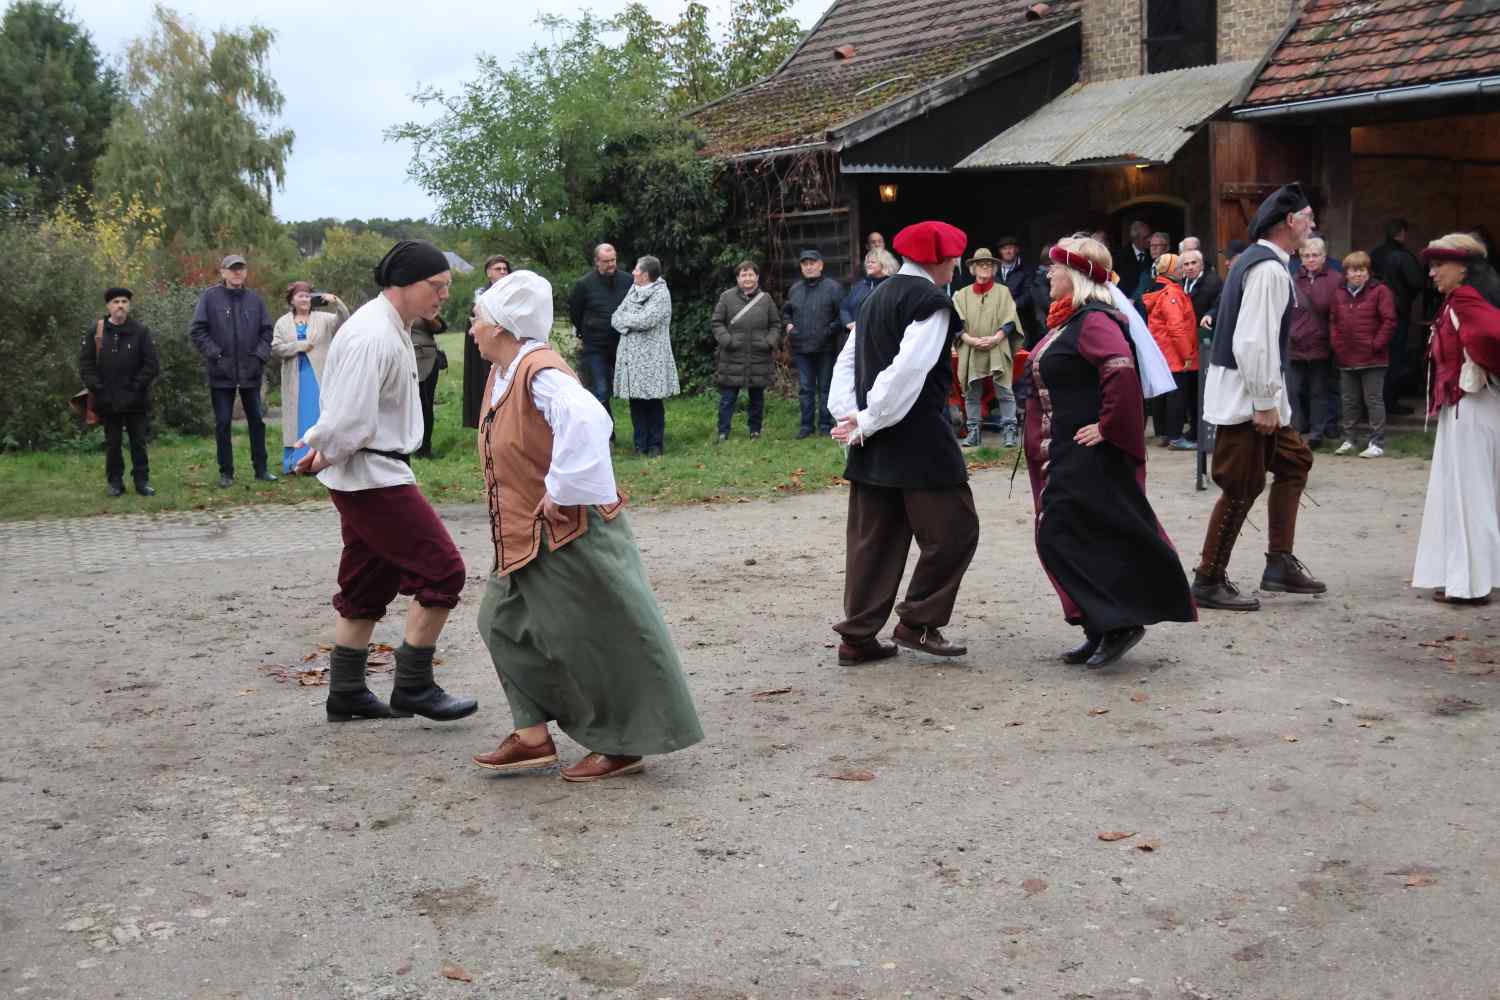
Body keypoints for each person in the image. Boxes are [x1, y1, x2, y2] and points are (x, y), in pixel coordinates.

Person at [467, 272, 704, 780]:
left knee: (598, 636)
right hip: (523, 536)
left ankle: (623, 744)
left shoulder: (540, 372)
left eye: (479, 318)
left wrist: (561, 488)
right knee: (499, 623)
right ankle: (531, 735)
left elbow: (590, 421)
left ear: (504, 327)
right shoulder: (506, 370)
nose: (472, 327)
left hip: (569, 532)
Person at [293, 239, 478, 724]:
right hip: (371, 473)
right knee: (443, 571)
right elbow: (348, 416)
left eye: (446, 287)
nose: (443, 296)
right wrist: (322, 450)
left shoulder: (393, 326)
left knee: (368, 580)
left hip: (370, 467)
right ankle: (413, 684)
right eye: (436, 286)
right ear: (405, 284)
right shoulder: (374, 334)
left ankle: (347, 693)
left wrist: (326, 451)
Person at [1024, 237, 1195, 667]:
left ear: (1077, 275)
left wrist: (1107, 426)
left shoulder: (1095, 320)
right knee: (1075, 536)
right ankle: (1099, 625)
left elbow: (1120, 373)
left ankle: (1118, 624)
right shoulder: (1070, 320)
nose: (1048, 274)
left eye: (1055, 268)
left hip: (1088, 454)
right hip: (1064, 449)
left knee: (1063, 535)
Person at [828, 220, 980, 664]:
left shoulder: (875, 296)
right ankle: (918, 622)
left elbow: (847, 362)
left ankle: (857, 638)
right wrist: (868, 418)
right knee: (956, 530)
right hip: (917, 442)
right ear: (937, 260)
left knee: (873, 542)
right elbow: (907, 373)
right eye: (952, 259)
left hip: (874, 442)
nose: (956, 267)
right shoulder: (930, 302)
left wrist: (850, 415)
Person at [1194, 183, 1325, 612]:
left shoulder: (1265, 263)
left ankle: (1278, 562)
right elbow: (1253, 342)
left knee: (1295, 462)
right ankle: (1208, 579)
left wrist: (1270, 401)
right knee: (1241, 485)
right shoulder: (1268, 268)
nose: (1313, 224)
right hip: (1247, 399)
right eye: (1307, 216)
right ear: (1290, 221)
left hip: (1257, 395)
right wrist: (1265, 402)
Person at [1411, 233, 1500, 605]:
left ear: (1463, 268)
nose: (1432, 273)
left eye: (1438, 265)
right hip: (1463, 407)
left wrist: (1484, 366)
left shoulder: (1466, 300)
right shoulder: (1460, 300)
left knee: (1469, 494)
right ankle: (1465, 577)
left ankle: (1470, 584)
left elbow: (1492, 336)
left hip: (1474, 407)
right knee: (1466, 491)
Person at [190, 253, 276, 488]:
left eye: (241, 268)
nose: (237, 272)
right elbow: (198, 331)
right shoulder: (210, 298)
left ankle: (262, 469)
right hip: (221, 373)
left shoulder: (255, 300)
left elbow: (267, 332)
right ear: (223, 272)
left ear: (246, 272)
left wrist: (259, 357)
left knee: (257, 421)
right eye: (232, 269)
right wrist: (217, 355)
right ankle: (226, 472)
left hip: (251, 372)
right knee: (223, 422)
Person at [79, 287, 160, 497]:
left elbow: (151, 365)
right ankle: (115, 483)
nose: (120, 305)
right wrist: (98, 388)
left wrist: (136, 387)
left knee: (138, 443)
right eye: (116, 302)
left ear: (129, 305)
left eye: (124, 301)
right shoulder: (96, 331)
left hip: (135, 398)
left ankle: (142, 481)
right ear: (108, 306)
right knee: (113, 444)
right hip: (107, 399)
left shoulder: (141, 331)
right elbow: (86, 364)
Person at [271, 282, 349, 473]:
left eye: (307, 296)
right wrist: (299, 346)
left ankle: (319, 462)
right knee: (296, 419)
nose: (305, 299)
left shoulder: (324, 318)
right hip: (295, 378)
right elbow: (276, 348)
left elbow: (344, 319)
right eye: (300, 296)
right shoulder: (282, 322)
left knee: (318, 416)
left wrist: (336, 302)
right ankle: (295, 462)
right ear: (292, 300)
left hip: (319, 376)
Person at [951, 248, 1023, 448]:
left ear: (994, 268)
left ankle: (1010, 430)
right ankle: (973, 431)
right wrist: (969, 339)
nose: (985, 267)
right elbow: (956, 322)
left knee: (1004, 389)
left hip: (997, 345)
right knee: (971, 391)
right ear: (973, 269)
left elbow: (1010, 319)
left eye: (989, 264)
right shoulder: (962, 294)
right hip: (971, 347)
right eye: (980, 263)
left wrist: (997, 337)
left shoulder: (1003, 291)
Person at [1328, 251, 1395, 458]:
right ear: (1346, 273)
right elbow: (1333, 322)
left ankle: (1377, 442)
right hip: (1346, 356)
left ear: (1368, 271)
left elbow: (1389, 321)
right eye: (1353, 270)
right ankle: (1349, 440)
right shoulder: (1338, 293)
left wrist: (1375, 345)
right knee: (1349, 400)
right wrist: (1337, 344)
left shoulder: (1380, 291)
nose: (1358, 274)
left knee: (1373, 400)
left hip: (1373, 358)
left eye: (1362, 270)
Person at [611, 255, 679, 456]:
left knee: (653, 402)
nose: (633, 272)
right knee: (636, 403)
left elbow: (647, 320)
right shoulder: (634, 289)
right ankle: (640, 444)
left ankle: (655, 445)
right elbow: (615, 317)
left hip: (652, 358)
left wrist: (626, 321)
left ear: (646, 275)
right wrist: (628, 321)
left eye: (637, 270)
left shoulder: (661, 294)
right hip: (631, 358)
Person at [712, 260, 782, 442]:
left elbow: (775, 324)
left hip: (759, 356)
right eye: (744, 275)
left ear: (757, 277)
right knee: (728, 398)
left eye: (751, 274)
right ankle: (723, 431)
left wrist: (769, 341)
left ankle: (755, 430)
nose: (748, 278)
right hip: (732, 356)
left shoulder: (766, 300)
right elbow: (717, 322)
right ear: (738, 278)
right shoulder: (726, 297)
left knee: (757, 398)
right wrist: (727, 340)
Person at [567, 243, 632, 426]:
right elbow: (575, 312)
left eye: (613, 260)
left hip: (624, 343)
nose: (611, 264)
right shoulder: (584, 285)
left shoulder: (628, 281)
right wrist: (585, 331)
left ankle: (643, 439)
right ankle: (607, 436)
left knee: (634, 390)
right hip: (595, 346)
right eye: (606, 261)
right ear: (597, 261)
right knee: (600, 391)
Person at [783, 249, 845, 439]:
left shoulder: (833, 288)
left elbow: (842, 315)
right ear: (801, 267)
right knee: (805, 388)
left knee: (825, 387)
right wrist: (788, 326)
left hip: (825, 347)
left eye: (812, 263)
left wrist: (828, 331)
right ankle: (806, 426)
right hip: (801, 347)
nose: (808, 267)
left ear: (820, 265)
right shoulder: (794, 289)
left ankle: (825, 425)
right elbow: (786, 312)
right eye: (805, 264)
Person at [1287, 237, 1342, 448]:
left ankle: (1317, 433)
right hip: (1296, 345)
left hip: (1321, 344)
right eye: (1306, 255)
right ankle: (1297, 430)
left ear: (1324, 257)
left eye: (1315, 255)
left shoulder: (1336, 279)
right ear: (1300, 258)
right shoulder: (1292, 279)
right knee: (1294, 390)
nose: (1310, 259)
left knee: (1319, 391)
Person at [1141, 252, 1199, 449]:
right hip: (1174, 353)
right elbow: (1176, 328)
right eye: (1180, 266)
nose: (1184, 269)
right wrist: (1187, 356)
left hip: (1163, 351)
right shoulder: (1171, 293)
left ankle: (1166, 434)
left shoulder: (1158, 290)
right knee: (1177, 396)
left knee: (1165, 395)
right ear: (1173, 270)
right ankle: (1175, 437)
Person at [1370, 219, 1426, 417]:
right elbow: (1417, 282)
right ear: (1402, 233)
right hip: (1397, 313)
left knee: (1376, 360)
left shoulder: (1374, 254)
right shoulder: (1403, 256)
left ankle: (1374, 404)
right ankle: (1390, 404)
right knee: (1394, 359)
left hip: (1373, 314)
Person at [463, 253, 510, 429]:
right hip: (485, 346)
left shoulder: (512, 293)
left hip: (506, 344)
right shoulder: (481, 295)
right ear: (488, 273)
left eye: (505, 269)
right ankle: (486, 421)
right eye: (498, 269)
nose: (503, 272)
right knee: (486, 382)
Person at [840, 249, 898, 352]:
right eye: (867, 262)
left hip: (881, 343)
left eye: (873, 262)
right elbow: (844, 308)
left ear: (884, 264)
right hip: (856, 340)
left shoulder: (892, 286)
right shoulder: (859, 286)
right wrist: (849, 323)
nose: (868, 264)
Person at [410, 314, 446, 459]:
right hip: (407, 358)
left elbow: (441, 327)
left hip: (428, 359)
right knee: (409, 404)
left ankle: (425, 447)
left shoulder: (426, 306)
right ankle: (408, 443)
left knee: (426, 403)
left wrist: (427, 316)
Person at [995, 236, 1034, 342]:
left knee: (1019, 355)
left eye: (1010, 248)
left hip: (1020, 323)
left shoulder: (1026, 269)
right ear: (1000, 251)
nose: (1008, 251)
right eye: (1004, 248)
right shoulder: (993, 270)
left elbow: (1029, 294)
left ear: (1017, 250)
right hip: (997, 323)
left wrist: (1012, 305)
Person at [1116, 221, 1151, 297]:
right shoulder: (1120, 256)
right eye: (1145, 237)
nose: (1149, 240)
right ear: (1135, 239)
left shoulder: (1152, 254)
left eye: (1149, 236)